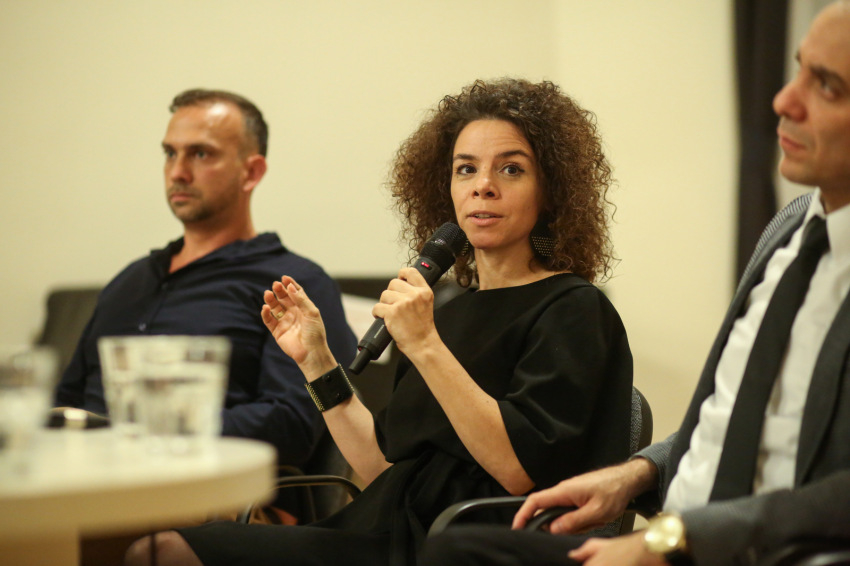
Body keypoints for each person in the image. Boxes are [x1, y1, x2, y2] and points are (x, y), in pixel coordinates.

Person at [124, 77, 634, 566]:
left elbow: (518, 469)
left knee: (166, 553)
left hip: (465, 547)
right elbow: (381, 470)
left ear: (550, 191)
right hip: (382, 533)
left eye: (511, 169)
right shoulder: (444, 311)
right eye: (465, 169)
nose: (483, 186)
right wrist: (317, 362)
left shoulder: (573, 309)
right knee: (157, 550)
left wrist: (426, 345)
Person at [419, 3, 850, 566]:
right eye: (798, 70)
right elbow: (730, 418)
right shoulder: (790, 228)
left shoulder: (570, 307)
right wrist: (637, 474)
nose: (784, 101)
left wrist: (673, 541)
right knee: (456, 550)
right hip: (673, 533)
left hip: (747, 550)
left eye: (828, 86)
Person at [54, 88, 357, 471]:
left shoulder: (293, 285)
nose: (178, 172)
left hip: (206, 487)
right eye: (170, 153)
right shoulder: (128, 282)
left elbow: (291, 426)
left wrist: (149, 434)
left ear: (251, 172)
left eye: (200, 154)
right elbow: (65, 403)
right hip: (82, 480)